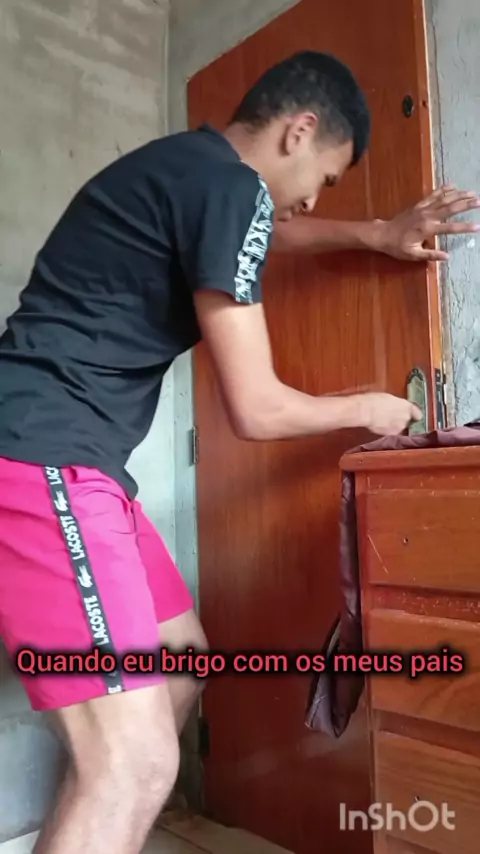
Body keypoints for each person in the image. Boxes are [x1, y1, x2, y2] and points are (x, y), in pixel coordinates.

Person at [0, 51, 478, 854]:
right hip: (39, 460)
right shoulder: (226, 187)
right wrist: (370, 408)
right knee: (133, 762)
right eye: (325, 177)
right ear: (300, 130)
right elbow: (256, 409)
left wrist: (376, 234)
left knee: (182, 662)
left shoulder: (192, 174)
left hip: (75, 464)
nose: (313, 199)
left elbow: (274, 233)